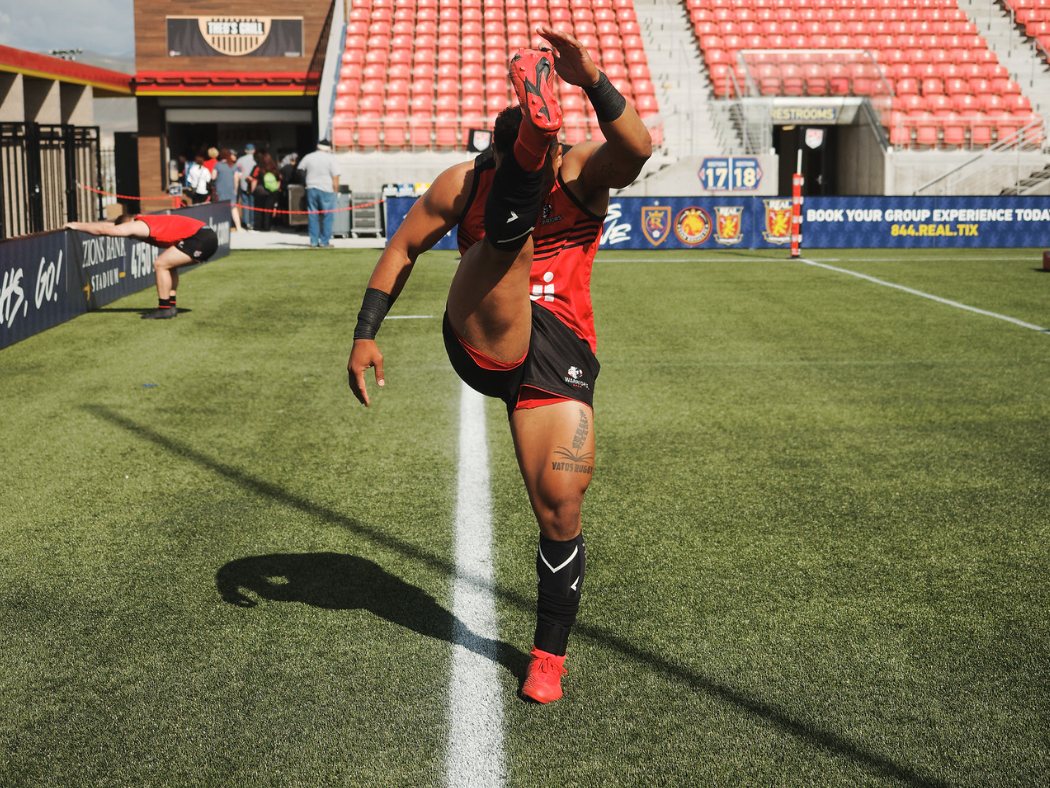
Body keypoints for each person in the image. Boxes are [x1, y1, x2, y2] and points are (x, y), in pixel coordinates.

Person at [347, 27, 652, 704]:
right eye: (527, 153)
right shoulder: (466, 181)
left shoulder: (581, 171)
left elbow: (637, 148)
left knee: (561, 505)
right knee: (508, 246)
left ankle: (548, 657)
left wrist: (592, 78)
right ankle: (518, 193)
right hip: (482, 326)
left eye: (541, 151)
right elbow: (402, 248)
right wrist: (365, 333)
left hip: (558, 348)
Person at [65, 213, 219, 319]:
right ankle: (170, 306)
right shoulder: (141, 221)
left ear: (128, 224)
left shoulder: (138, 224)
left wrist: (78, 225)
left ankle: (165, 308)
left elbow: (108, 230)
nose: (130, 237)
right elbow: (112, 225)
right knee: (168, 265)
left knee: (160, 264)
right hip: (206, 235)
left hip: (200, 238)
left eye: (128, 234)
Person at [297, 139, 340, 248]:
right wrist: (336, 192)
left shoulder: (309, 157)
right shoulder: (330, 158)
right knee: (328, 216)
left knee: (312, 215)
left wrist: (305, 183)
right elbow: (335, 176)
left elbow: (300, 170)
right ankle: (324, 241)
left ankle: (313, 241)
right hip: (327, 189)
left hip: (311, 187)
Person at [249, 151, 282, 232]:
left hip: (260, 191)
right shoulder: (275, 169)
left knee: (258, 209)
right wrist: (276, 191)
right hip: (272, 192)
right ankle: (267, 226)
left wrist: (252, 191)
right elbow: (279, 181)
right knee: (269, 209)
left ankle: (258, 226)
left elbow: (254, 180)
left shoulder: (259, 168)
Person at [212, 148, 240, 229]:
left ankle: (221, 226)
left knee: (220, 208)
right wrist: (235, 190)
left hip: (220, 189)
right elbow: (236, 179)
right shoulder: (233, 165)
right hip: (231, 190)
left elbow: (213, 177)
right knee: (233, 208)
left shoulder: (217, 165)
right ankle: (238, 227)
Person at [234, 143, 257, 230]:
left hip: (243, 184)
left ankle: (245, 223)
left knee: (245, 204)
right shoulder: (255, 160)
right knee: (252, 204)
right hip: (253, 185)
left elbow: (238, 173)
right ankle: (252, 223)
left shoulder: (240, 160)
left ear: (245, 150)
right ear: (254, 151)